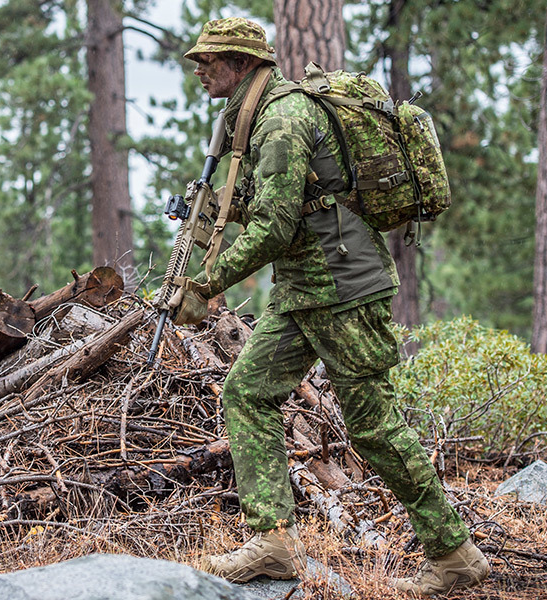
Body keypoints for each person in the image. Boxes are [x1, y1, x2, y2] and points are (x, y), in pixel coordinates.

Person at [171, 16, 490, 596]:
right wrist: (219, 208)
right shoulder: (255, 116)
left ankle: (454, 554)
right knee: (247, 392)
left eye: (208, 60)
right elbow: (280, 207)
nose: (199, 71)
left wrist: (204, 283)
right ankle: (275, 543)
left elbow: (274, 227)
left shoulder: (282, 119)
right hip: (304, 289)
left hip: (344, 288)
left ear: (241, 63)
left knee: (374, 428)